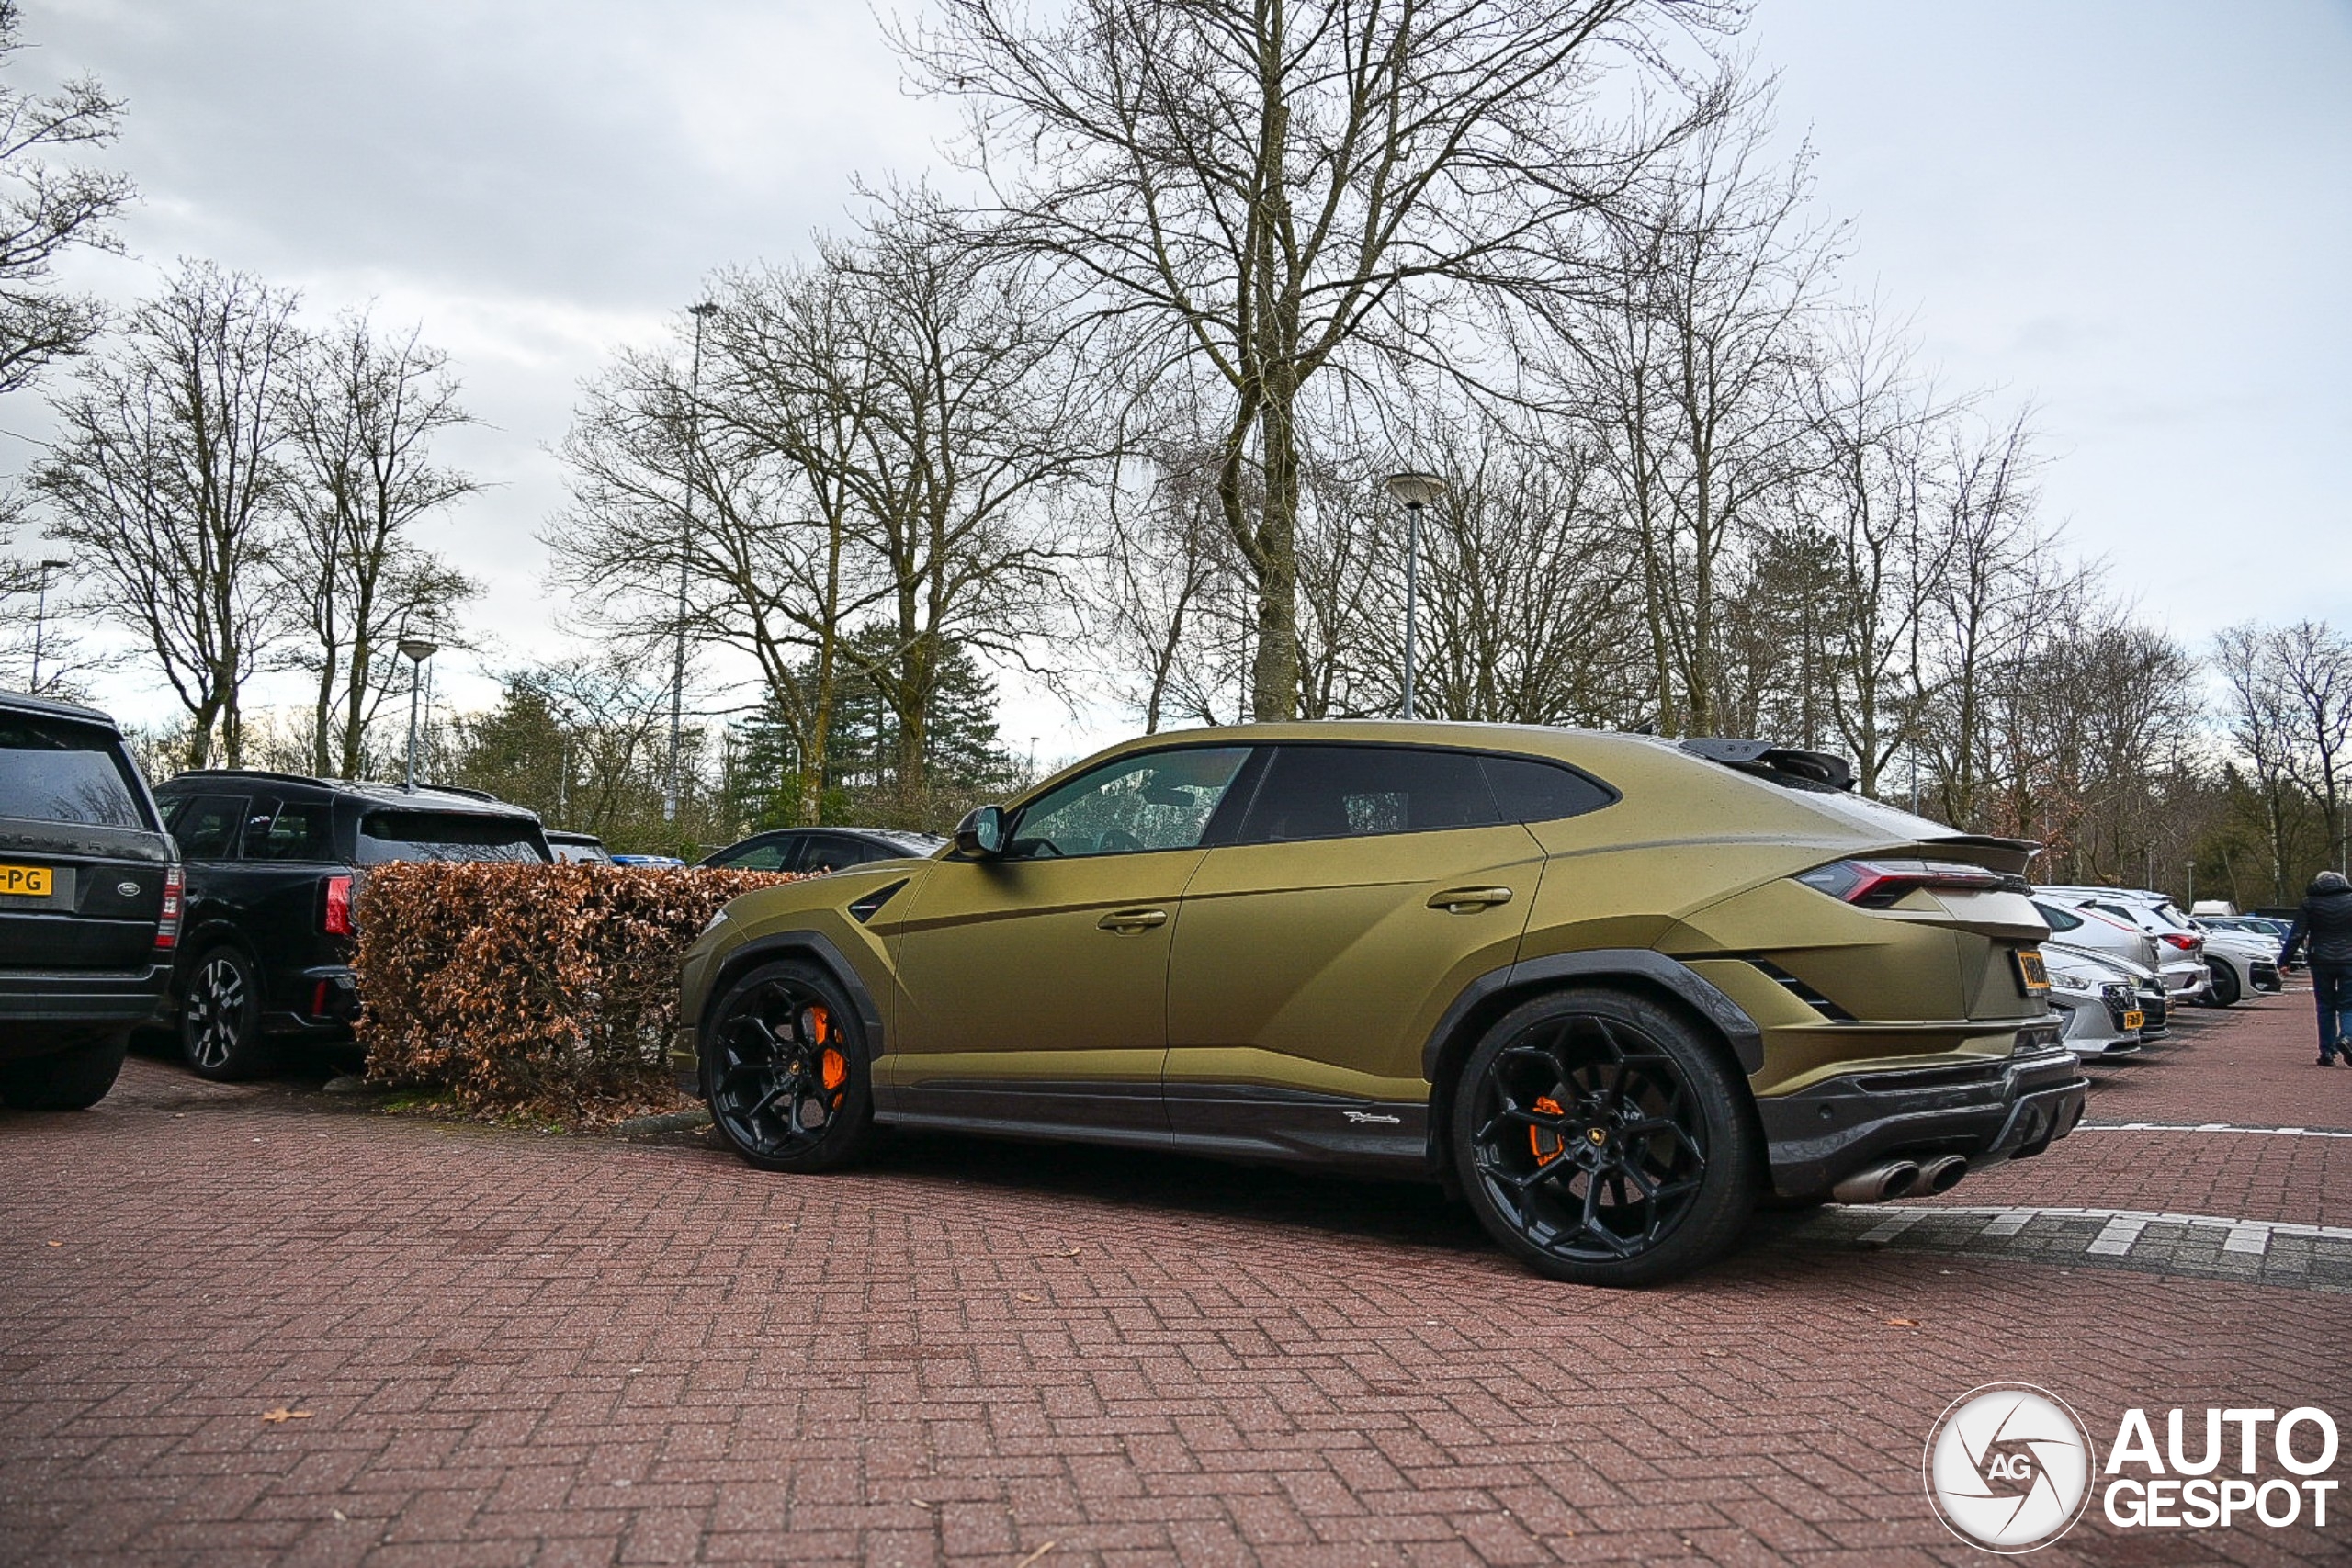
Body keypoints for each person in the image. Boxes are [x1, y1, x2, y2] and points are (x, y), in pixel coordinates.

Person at [2281, 870, 2352, 1066]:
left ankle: (2327, 1052)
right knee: (2348, 1005)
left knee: (2325, 1005)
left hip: (2321, 960)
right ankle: (2347, 1038)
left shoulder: (2310, 903)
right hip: (2350, 960)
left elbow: (2297, 934)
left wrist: (2284, 961)